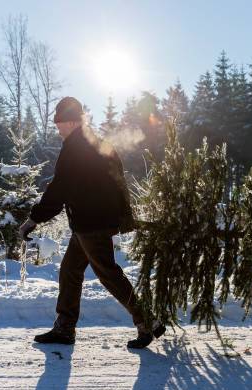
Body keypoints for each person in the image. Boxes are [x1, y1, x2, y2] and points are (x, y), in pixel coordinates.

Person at [19, 96, 165, 349]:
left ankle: (148, 321)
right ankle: (64, 328)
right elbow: (120, 181)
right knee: (70, 271)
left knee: (108, 274)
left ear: (73, 122)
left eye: (60, 123)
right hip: (92, 222)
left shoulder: (75, 147)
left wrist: (34, 219)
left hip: (91, 223)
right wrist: (123, 215)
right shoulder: (97, 143)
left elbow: (59, 188)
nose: (58, 128)